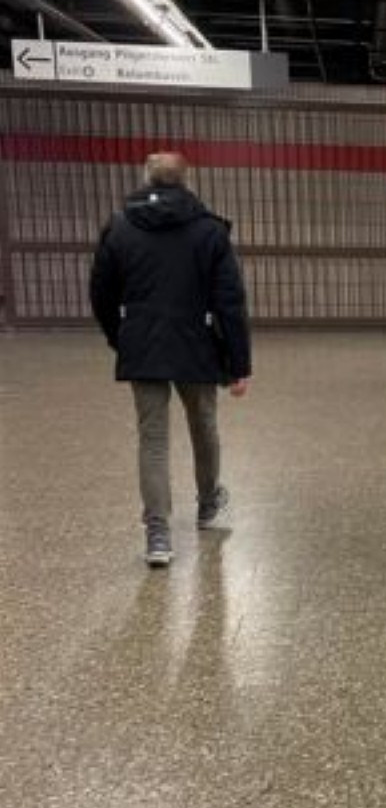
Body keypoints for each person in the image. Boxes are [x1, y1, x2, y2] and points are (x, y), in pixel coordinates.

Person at [90, 152, 251, 567]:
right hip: (197, 344)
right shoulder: (209, 230)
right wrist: (239, 365)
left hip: (142, 346)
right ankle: (208, 504)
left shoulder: (120, 227)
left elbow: (101, 292)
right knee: (204, 425)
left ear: (147, 178)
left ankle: (158, 533)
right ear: (186, 181)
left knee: (153, 439)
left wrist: (119, 336)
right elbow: (230, 301)